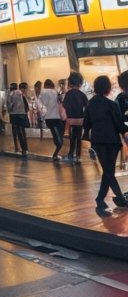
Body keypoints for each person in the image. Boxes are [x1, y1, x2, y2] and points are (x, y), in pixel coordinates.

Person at [83, 75, 128, 214]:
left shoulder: (91, 104)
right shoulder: (111, 105)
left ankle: (114, 199)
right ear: (108, 88)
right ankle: (106, 199)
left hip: (97, 141)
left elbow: (87, 123)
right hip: (111, 142)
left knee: (108, 171)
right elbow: (119, 125)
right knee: (109, 171)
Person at [61, 71, 88, 164]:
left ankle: (70, 154)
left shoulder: (68, 94)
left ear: (70, 83)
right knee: (79, 138)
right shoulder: (82, 94)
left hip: (71, 120)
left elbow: (65, 105)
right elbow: (87, 107)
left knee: (72, 138)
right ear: (80, 83)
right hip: (80, 120)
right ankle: (78, 155)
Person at [38, 78, 65, 160]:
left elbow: (40, 103)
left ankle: (56, 153)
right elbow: (61, 101)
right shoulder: (55, 92)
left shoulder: (42, 92)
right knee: (59, 138)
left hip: (49, 118)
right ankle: (55, 154)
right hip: (57, 117)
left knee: (56, 136)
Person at [7, 83, 29, 156]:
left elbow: (9, 106)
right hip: (22, 114)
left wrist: (10, 110)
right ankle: (25, 148)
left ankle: (17, 147)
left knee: (16, 132)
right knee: (22, 131)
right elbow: (26, 105)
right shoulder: (21, 94)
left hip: (14, 115)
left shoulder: (11, 94)